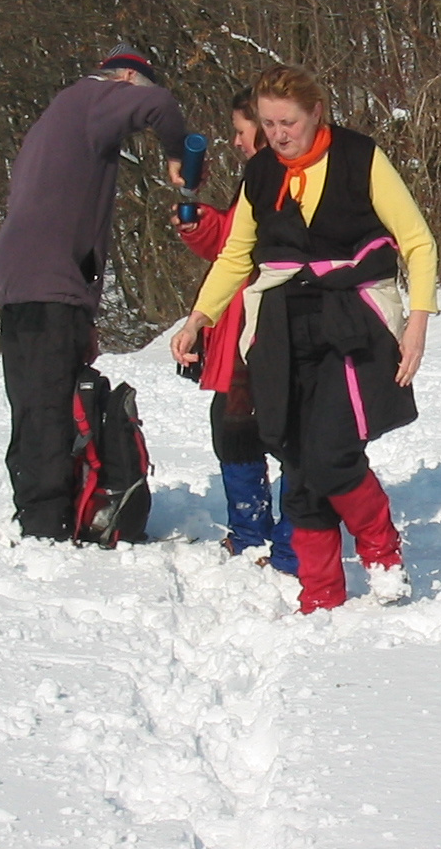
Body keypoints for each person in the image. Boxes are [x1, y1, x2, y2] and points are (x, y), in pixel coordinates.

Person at [170, 64, 437, 612]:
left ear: (316, 112)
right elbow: (236, 255)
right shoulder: (262, 174)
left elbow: (418, 242)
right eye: (268, 124)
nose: (278, 133)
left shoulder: (361, 158)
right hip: (279, 324)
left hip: (353, 318)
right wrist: (198, 316)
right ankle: (320, 593)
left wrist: (417, 321)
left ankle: (383, 558)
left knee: (332, 453)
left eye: (287, 121)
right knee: (295, 458)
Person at [0, 44, 186, 540]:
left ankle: (50, 511)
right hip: (44, 285)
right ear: (124, 78)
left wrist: (85, 312)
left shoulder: (60, 120)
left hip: (30, 283)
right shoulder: (95, 98)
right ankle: (46, 525)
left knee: (37, 402)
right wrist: (180, 153)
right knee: (48, 410)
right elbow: (159, 105)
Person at [174, 88, 297, 574]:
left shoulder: (283, 179)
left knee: (281, 431)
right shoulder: (256, 181)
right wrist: (195, 217)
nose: (237, 142)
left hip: (269, 326)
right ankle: (253, 533)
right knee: (234, 425)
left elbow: (246, 247)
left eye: (242, 132)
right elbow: (230, 245)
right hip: (241, 326)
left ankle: (285, 538)